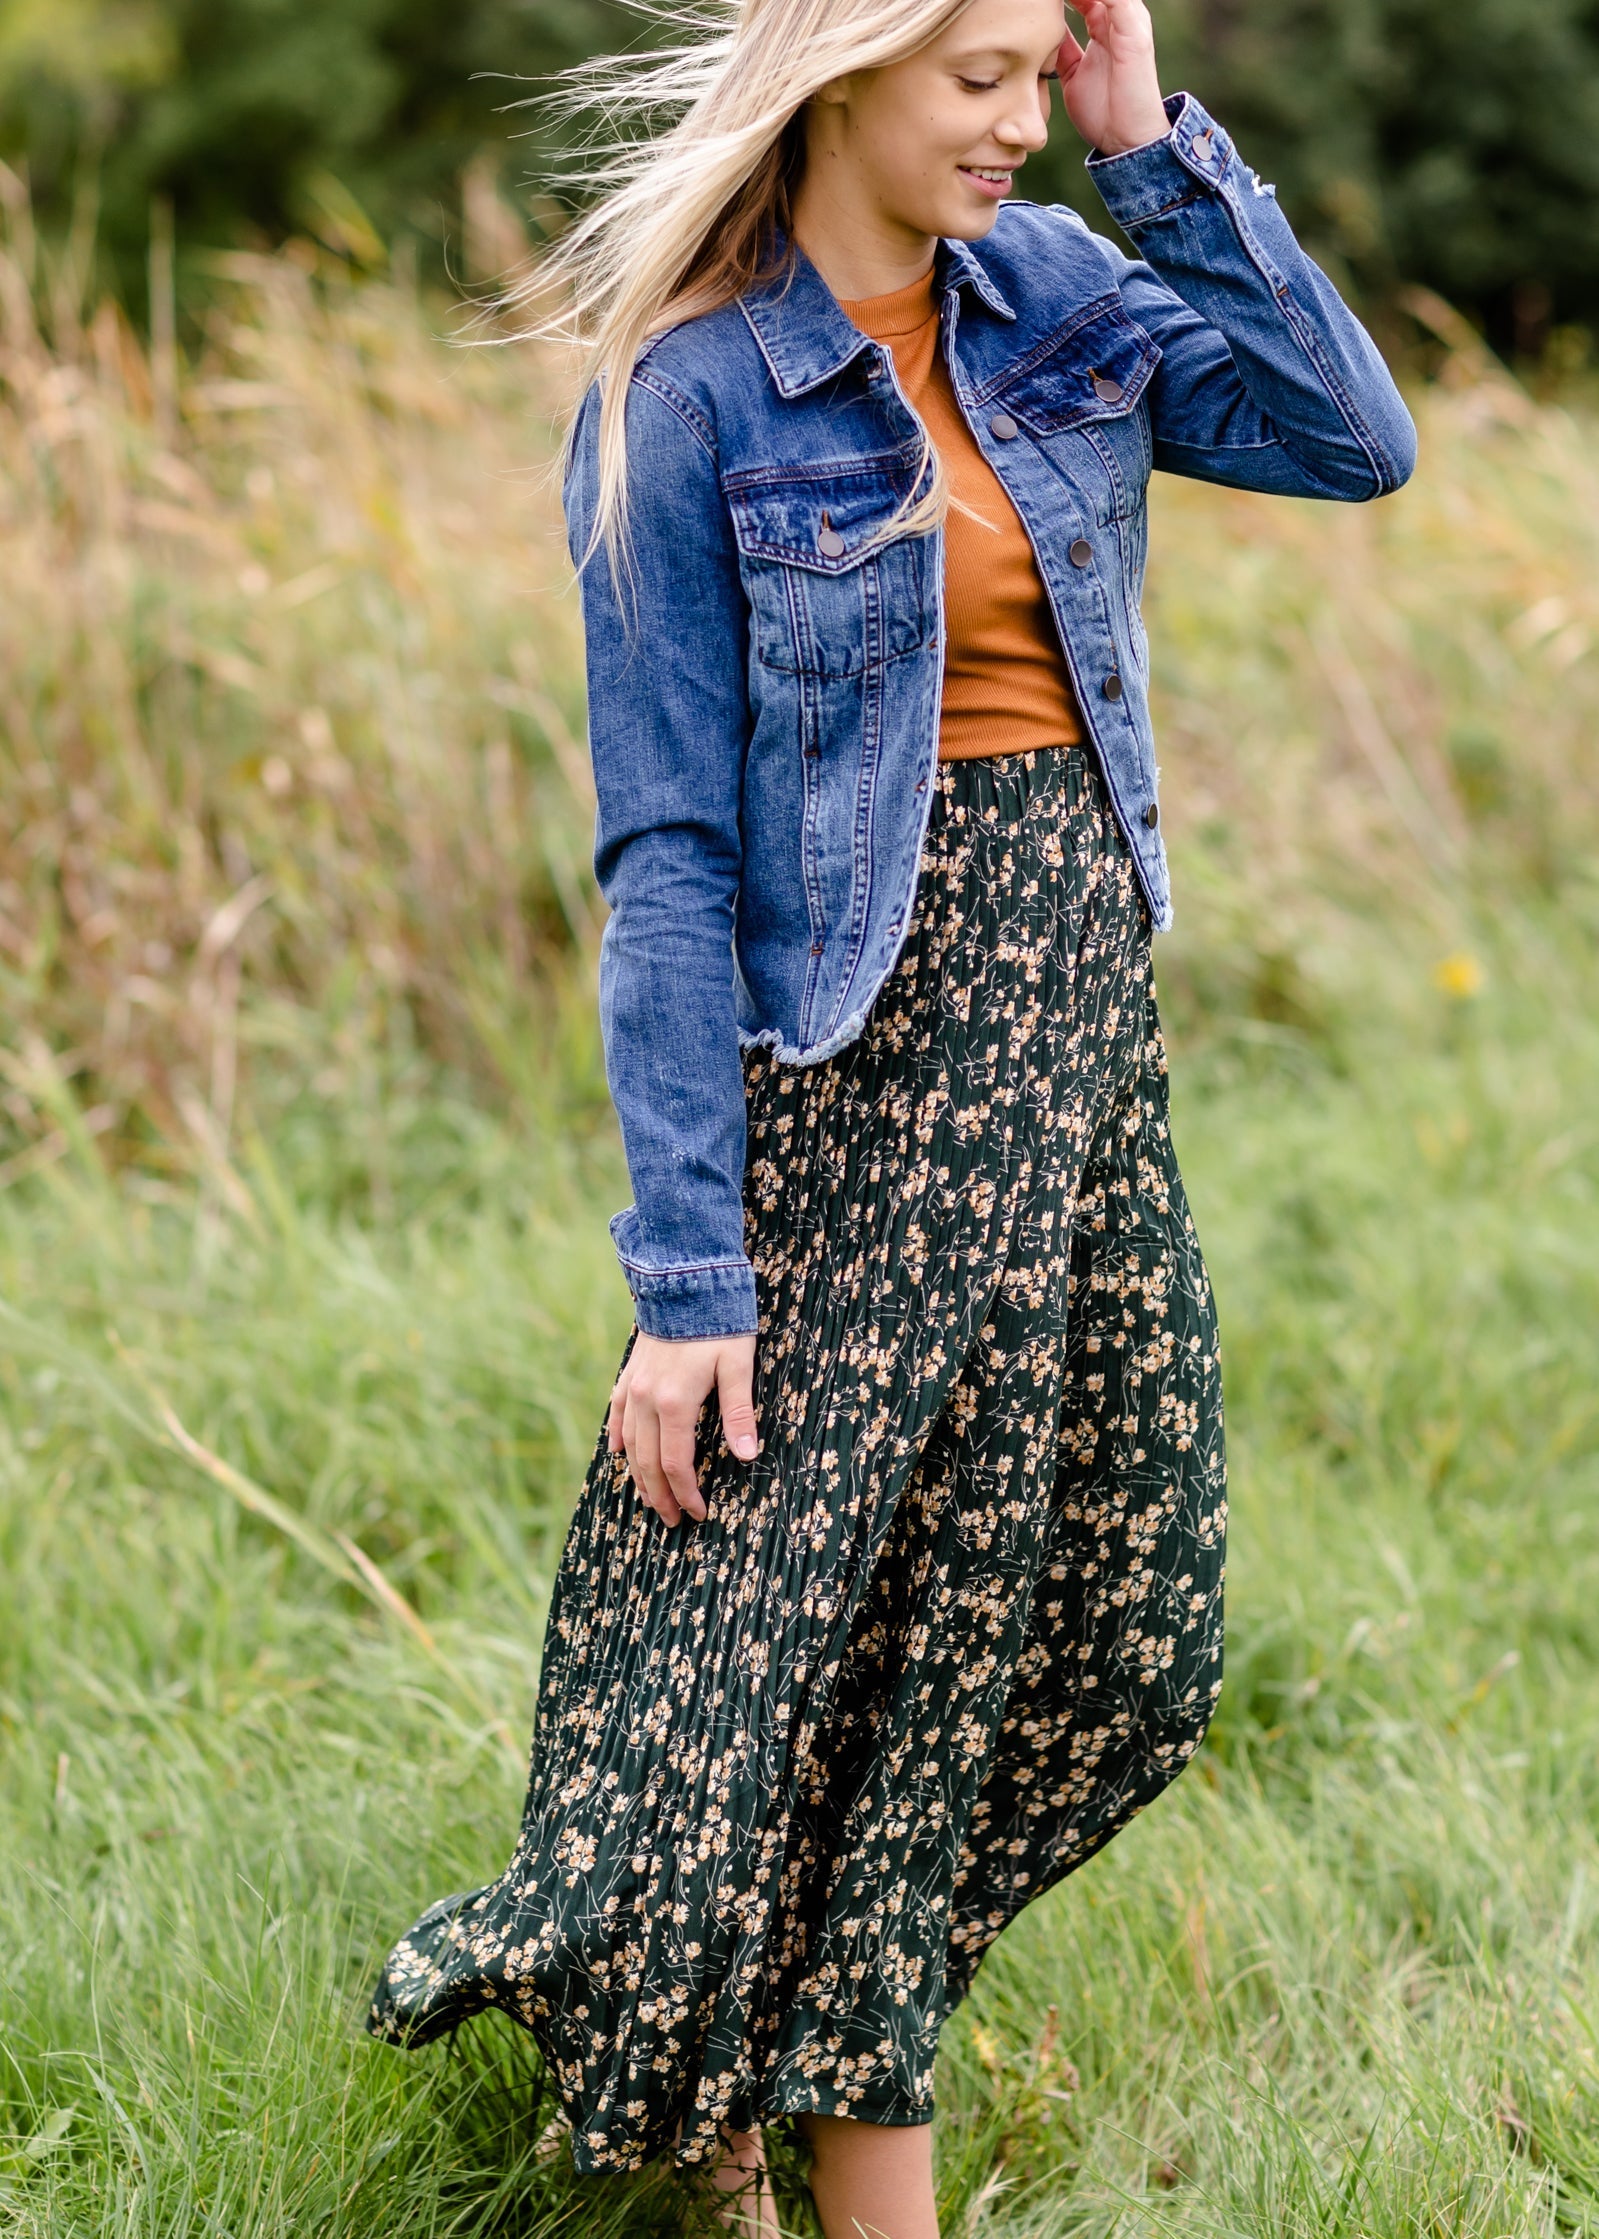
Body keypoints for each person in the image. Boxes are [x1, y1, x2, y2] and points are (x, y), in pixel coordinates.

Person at [367, 0, 1416, 2232]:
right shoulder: (687, 399)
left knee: (1117, 1625)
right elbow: (664, 865)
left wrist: (1147, 141)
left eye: (1042, 73)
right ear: (839, 68)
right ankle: (787, 2136)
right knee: (822, 1649)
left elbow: (1347, 437)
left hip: (1071, 1060)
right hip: (854, 1078)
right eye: (982, 79)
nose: (1013, 122)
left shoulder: (1056, 291)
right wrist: (686, 1280)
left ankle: (776, 2026)